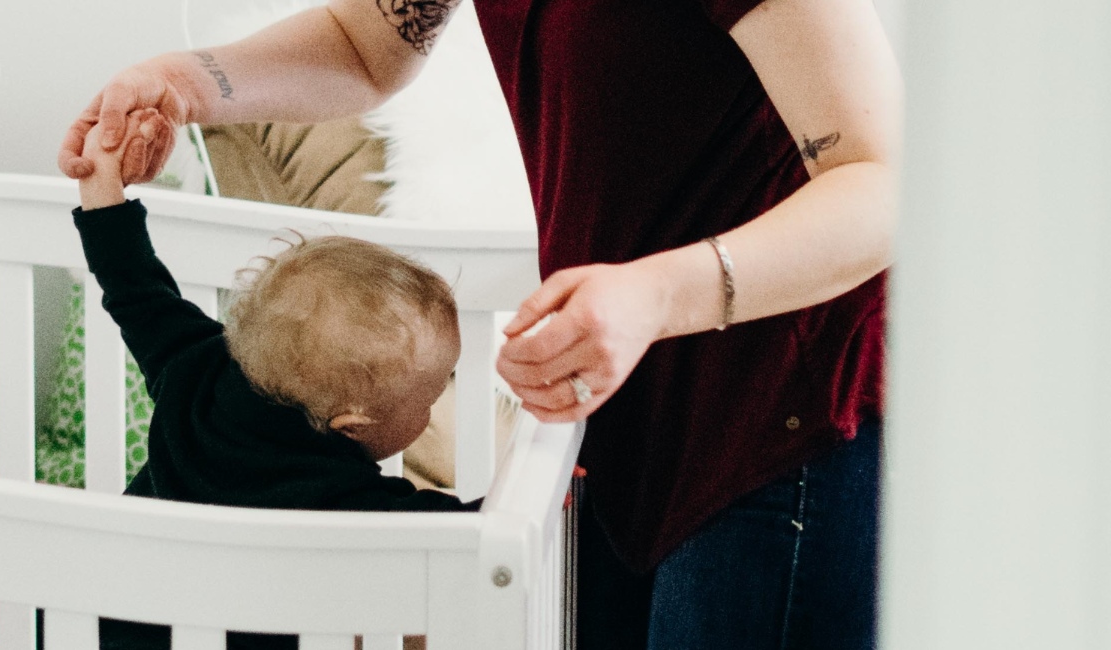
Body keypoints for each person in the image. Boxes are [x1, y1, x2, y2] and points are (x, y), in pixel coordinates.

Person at [58, 1, 898, 648]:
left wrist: (657, 296)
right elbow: (364, 47)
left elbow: (885, 185)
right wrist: (190, 80)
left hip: (776, 412)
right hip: (616, 410)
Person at [72, 116, 477, 648]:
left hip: (109, 621)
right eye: (430, 396)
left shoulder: (194, 364)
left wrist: (101, 184)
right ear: (351, 425)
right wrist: (548, 491)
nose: (434, 408)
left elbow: (134, 284)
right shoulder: (343, 496)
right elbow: (466, 533)